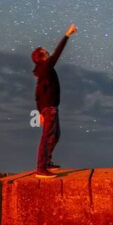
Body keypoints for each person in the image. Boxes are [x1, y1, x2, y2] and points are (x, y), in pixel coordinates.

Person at [32, 24, 77, 173]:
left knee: (55, 135)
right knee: (47, 137)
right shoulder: (46, 67)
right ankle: (41, 168)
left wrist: (40, 112)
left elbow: (38, 94)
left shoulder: (43, 70)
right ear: (41, 56)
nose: (47, 52)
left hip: (49, 108)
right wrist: (67, 34)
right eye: (45, 51)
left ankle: (47, 162)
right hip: (50, 108)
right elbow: (58, 53)